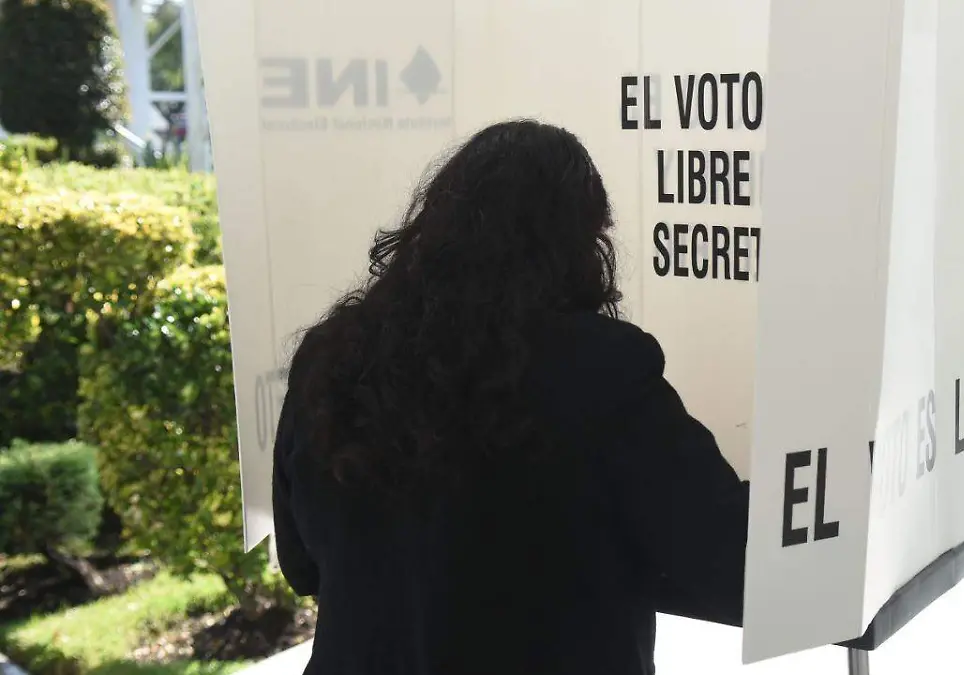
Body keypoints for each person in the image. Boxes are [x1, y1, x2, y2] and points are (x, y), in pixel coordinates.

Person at [272, 119, 750, 674]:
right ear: (581, 242)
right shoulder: (603, 370)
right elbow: (727, 560)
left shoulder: (332, 356)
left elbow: (301, 565)